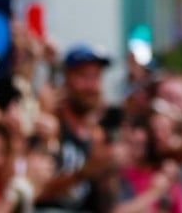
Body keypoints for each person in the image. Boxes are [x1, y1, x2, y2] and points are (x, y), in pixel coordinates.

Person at [35, 43, 120, 211]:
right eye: (83, 76)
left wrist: (109, 176)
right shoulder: (50, 124)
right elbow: (36, 191)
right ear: (66, 78)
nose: (91, 86)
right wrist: (83, 173)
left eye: (96, 77)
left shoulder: (98, 135)